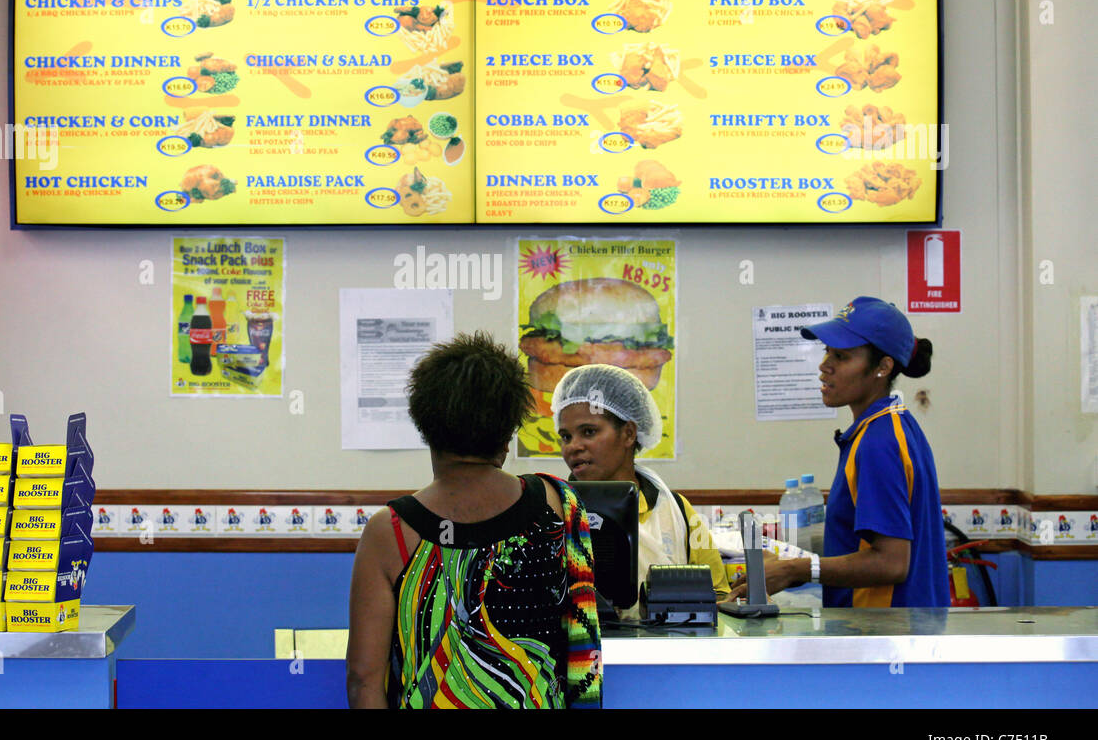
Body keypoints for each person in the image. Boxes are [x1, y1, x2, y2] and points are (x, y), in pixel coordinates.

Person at [345, 332, 602, 709]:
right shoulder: (560, 503)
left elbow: (362, 680)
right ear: (508, 433)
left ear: (425, 426)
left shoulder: (391, 531)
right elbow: (582, 649)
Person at [727, 297, 947, 608]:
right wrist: (792, 566)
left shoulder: (878, 442)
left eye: (841, 356)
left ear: (883, 367)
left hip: (885, 636)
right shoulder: (889, 427)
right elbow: (863, 546)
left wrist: (795, 569)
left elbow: (892, 562)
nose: (824, 365)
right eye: (826, 351)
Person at [551, 364, 730, 606]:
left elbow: (716, 595)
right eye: (566, 436)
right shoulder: (553, 510)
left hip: (664, 643)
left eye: (589, 432)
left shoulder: (676, 511)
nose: (573, 446)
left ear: (628, 433)